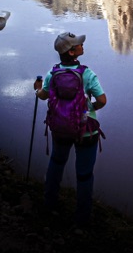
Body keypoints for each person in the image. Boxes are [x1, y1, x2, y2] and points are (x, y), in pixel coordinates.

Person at [34, 31, 107, 227]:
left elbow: (43, 95)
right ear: (72, 52)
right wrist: (91, 108)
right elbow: (102, 100)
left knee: (57, 163)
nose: (82, 46)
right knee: (84, 174)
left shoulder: (53, 73)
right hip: (86, 130)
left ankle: (50, 203)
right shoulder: (87, 74)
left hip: (61, 128)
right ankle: (82, 217)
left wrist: (37, 88)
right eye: (78, 45)